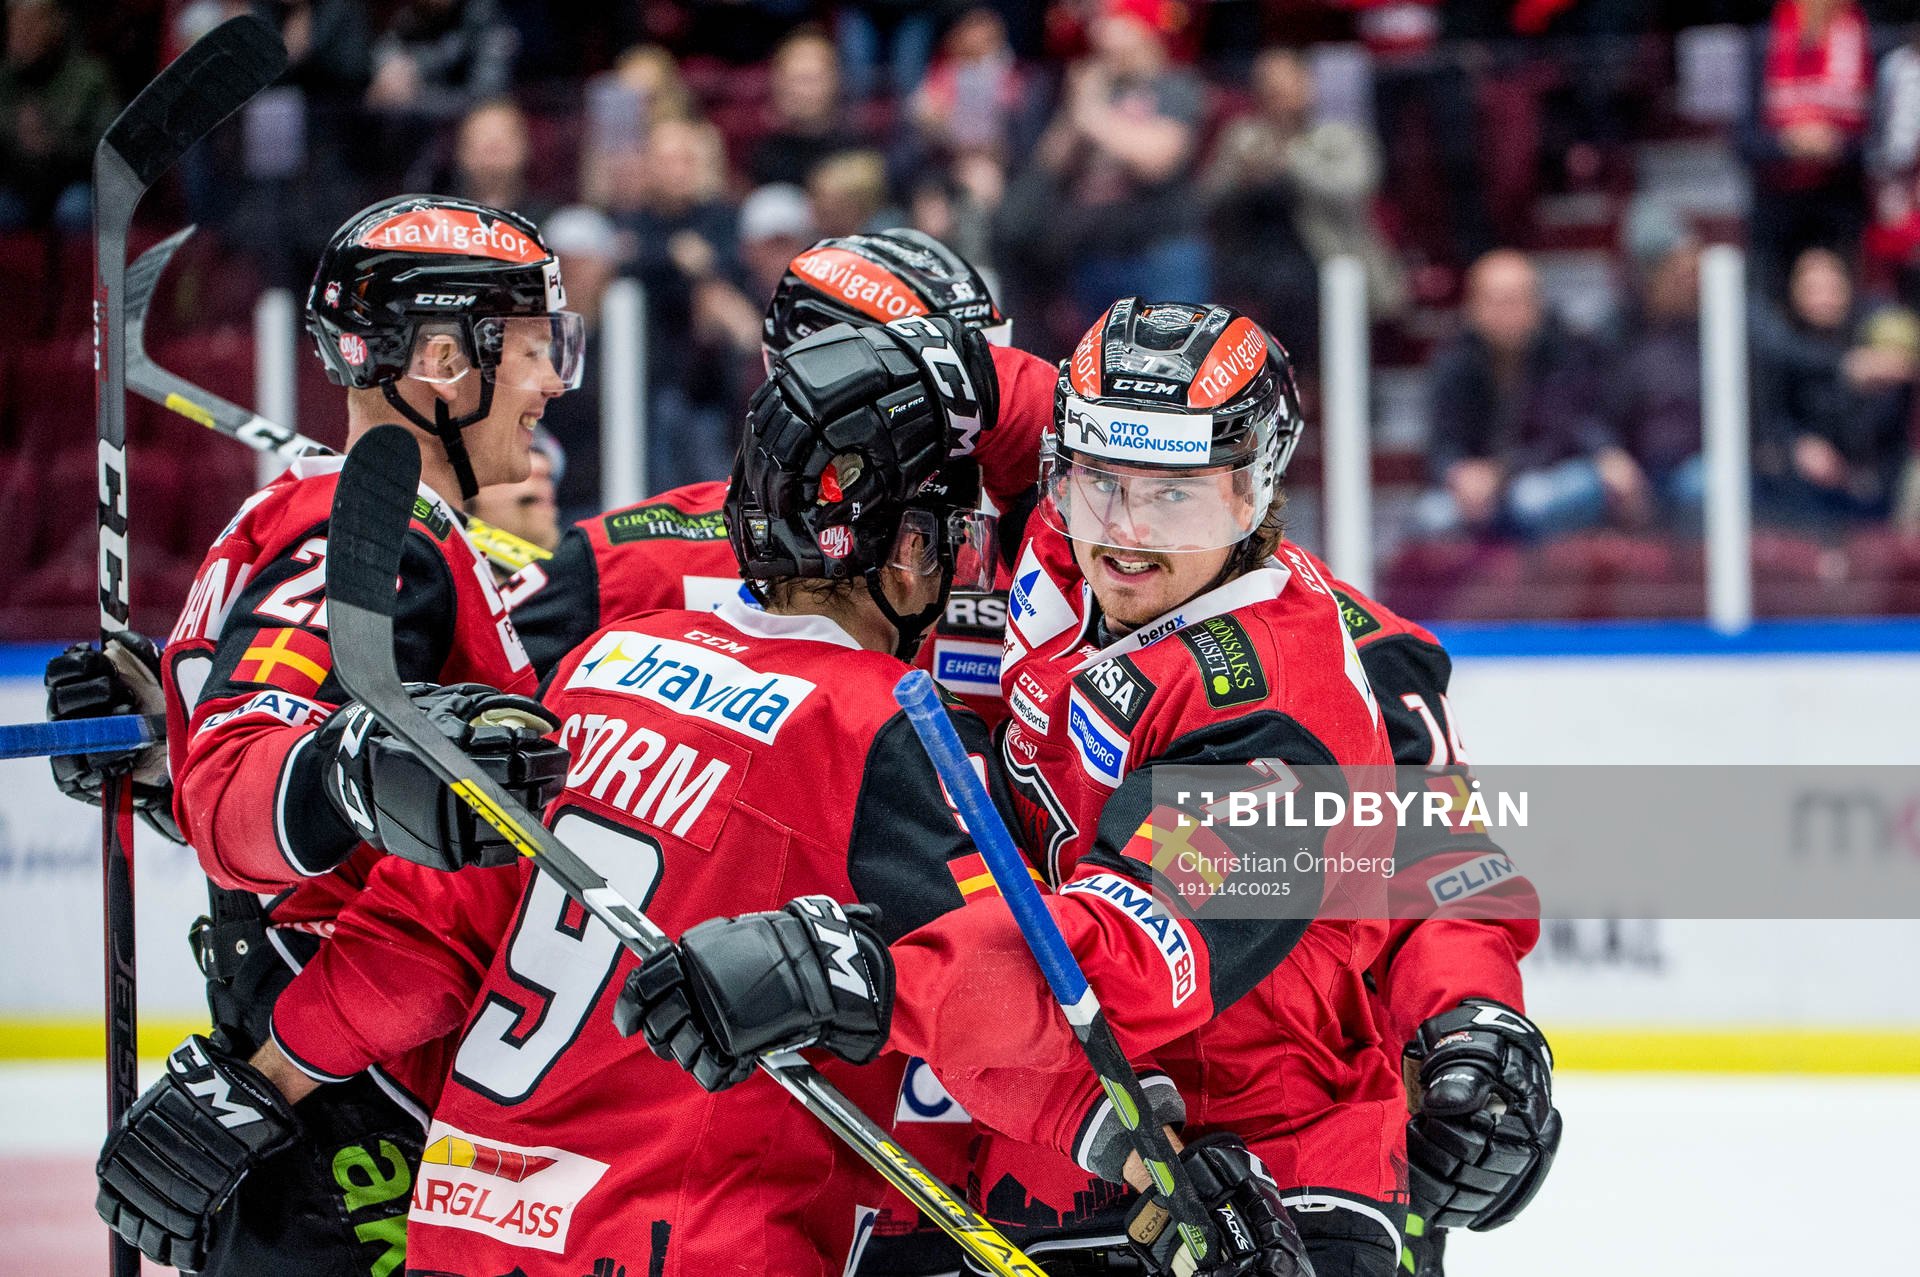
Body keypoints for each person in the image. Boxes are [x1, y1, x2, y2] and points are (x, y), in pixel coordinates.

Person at [141, 317, 1010, 1277]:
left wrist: (260, 1082)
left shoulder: (613, 646)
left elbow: (433, 928)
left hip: (471, 1224)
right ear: (912, 544)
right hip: (696, 1235)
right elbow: (1027, 990)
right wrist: (1120, 1146)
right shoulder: (908, 716)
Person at [627, 300, 1413, 1275]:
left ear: (1254, 495)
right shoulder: (1069, 542)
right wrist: (938, 365)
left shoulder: (1279, 720)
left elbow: (1116, 963)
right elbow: (1020, 405)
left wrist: (859, 973)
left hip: (1258, 1170)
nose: (1125, 533)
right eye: (1100, 485)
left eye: (1178, 498)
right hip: (1057, 1138)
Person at [83, 194, 579, 1276]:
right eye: (540, 350)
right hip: (358, 1133)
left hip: (314, 1103)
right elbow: (242, 791)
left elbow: (244, 794)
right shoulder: (363, 533)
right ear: (445, 358)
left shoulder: (321, 517)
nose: (552, 384)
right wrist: (338, 773)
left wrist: (166, 766)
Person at [506, 227, 1048, 678]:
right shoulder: (626, 560)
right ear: (820, 379)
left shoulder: (1023, 561)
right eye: (936, 381)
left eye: (987, 371)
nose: (975, 415)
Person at [1414, 249, 1628, 541]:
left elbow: (1562, 436)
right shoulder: (1453, 363)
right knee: (1431, 516)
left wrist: (1499, 474)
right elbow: (1441, 445)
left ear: (1536, 304)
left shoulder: (1564, 356)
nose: (1507, 312)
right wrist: (1460, 475)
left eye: (1516, 300)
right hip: (1477, 491)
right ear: (1473, 307)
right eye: (1495, 301)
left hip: (1540, 477)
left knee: (1540, 498)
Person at [468, 425, 566, 579]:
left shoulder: (571, 581)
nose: (541, 473)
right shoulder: (432, 574)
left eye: (549, 477)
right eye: (516, 471)